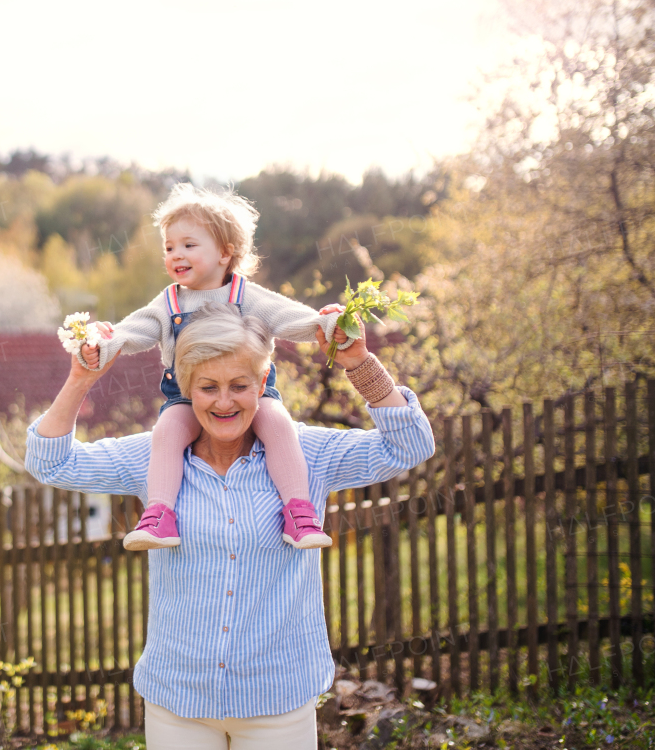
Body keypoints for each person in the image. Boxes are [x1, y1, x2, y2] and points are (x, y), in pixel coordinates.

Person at [27, 302, 434, 750]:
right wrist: (80, 379)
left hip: (277, 701)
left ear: (263, 382)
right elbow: (51, 463)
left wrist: (358, 363)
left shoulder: (307, 454)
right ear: (186, 387)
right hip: (179, 703)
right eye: (208, 387)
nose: (224, 402)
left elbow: (411, 445)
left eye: (240, 385)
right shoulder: (153, 457)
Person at [80, 185, 350, 551]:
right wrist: (104, 341)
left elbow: (290, 319)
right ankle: (160, 515)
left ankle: (299, 513)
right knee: (168, 431)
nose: (177, 254)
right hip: (187, 396)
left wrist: (326, 322)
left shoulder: (247, 295)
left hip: (251, 391)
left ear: (226, 252)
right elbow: (136, 331)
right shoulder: (169, 301)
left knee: (277, 423)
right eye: (169, 247)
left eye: (189, 245)